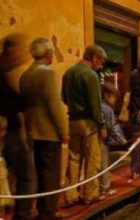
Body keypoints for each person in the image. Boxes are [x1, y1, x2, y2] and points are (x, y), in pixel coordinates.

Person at [19, 37, 69, 219]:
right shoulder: (47, 73)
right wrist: (64, 131)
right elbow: (54, 105)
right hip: (48, 132)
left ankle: (41, 210)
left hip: (32, 131)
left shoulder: (26, 75)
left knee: (39, 173)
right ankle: (49, 211)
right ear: (48, 53)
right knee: (50, 174)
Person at [62, 45, 107, 205]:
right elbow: (95, 104)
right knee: (92, 159)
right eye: (100, 61)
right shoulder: (90, 75)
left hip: (72, 120)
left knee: (73, 160)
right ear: (94, 57)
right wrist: (101, 125)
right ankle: (90, 194)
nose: (101, 66)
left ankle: (71, 195)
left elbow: (63, 98)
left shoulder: (68, 73)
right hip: (88, 122)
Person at [0, 33, 37, 220]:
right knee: (25, 178)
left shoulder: (10, 73)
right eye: (21, 50)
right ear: (10, 51)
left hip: (11, 134)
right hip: (8, 135)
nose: (23, 56)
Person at [99, 82, 125, 199]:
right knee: (103, 164)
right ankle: (105, 188)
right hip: (102, 141)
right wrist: (120, 140)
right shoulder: (106, 109)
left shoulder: (97, 106)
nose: (115, 100)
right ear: (106, 95)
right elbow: (111, 127)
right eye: (113, 96)